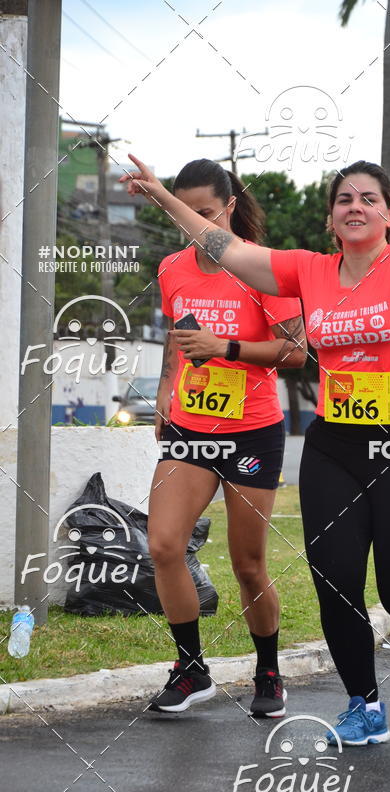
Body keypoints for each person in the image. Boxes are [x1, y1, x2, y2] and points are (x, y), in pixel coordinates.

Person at [123, 96, 390, 745]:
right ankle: (365, 707)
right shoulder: (308, 271)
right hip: (334, 446)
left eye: (367, 197)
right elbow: (219, 243)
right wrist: (159, 195)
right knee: (336, 581)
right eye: (343, 197)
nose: (355, 204)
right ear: (331, 216)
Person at [145, 159, 306, 717]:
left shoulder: (264, 271)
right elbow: (176, 333)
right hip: (191, 426)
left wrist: (226, 348)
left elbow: (295, 351)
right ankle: (192, 671)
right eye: (183, 212)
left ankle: (268, 671)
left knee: (247, 565)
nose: (193, 223)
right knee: (163, 545)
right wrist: (167, 390)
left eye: (204, 213)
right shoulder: (171, 268)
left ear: (229, 207)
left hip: (252, 431)